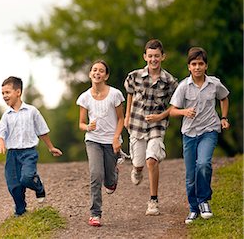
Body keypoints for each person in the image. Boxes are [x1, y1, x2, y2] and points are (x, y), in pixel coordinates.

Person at [169, 47, 230, 224]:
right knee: (190, 175)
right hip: (189, 134)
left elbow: (224, 97)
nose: (197, 67)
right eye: (194, 64)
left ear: (206, 66)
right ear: (189, 67)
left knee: (203, 163)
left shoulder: (214, 84)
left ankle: (204, 201)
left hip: (209, 130)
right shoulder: (183, 87)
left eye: (200, 64)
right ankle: (193, 209)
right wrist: (184, 112)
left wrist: (224, 117)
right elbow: (172, 111)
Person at [0, 76, 63, 217]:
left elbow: (42, 131)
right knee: (13, 185)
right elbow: (0, 132)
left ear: (18, 92)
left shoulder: (32, 111)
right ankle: (21, 211)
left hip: (28, 153)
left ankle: (38, 186)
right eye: (3, 93)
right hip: (12, 154)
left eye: (7, 92)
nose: (4, 96)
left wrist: (51, 147)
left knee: (26, 178)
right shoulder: (6, 115)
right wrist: (1, 142)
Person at [124, 39, 178, 216]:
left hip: (157, 125)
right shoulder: (135, 76)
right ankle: (137, 169)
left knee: (151, 160)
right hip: (137, 123)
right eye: (150, 56)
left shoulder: (169, 81)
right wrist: (126, 116)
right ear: (145, 57)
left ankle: (153, 201)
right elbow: (130, 95)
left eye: (157, 56)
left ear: (163, 57)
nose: (153, 59)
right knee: (139, 163)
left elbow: (175, 104)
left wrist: (161, 116)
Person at [76, 60, 125, 227]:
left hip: (111, 140)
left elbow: (121, 119)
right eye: (94, 70)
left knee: (109, 181)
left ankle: (113, 175)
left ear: (106, 75)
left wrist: (116, 138)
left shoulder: (115, 94)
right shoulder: (84, 97)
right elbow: (81, 123)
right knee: (95, 174)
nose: (97, 73)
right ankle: (95, 214)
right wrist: (87, 127)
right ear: (90, 74)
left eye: (101, 71)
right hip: (93, 140)